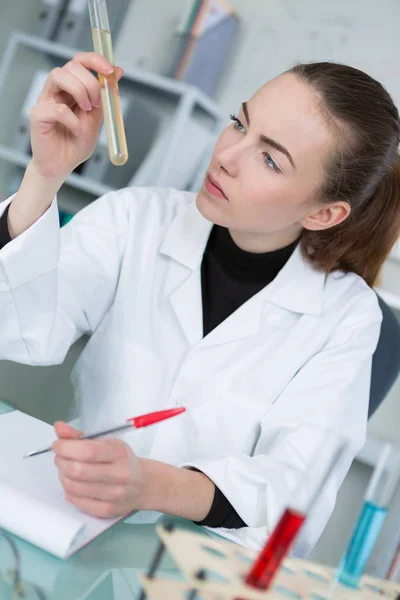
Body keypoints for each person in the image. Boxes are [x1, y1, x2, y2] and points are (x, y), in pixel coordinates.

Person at [0, 52, 399, 556]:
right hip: (71, 524)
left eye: (270, 158)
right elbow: (17, 327)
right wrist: (44, 174)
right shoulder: (136, 219)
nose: (227, 155)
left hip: (202, 565)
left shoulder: (346, 317)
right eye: (239, 124)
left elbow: (296, 490)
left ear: (324, 213)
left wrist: (152, 485)